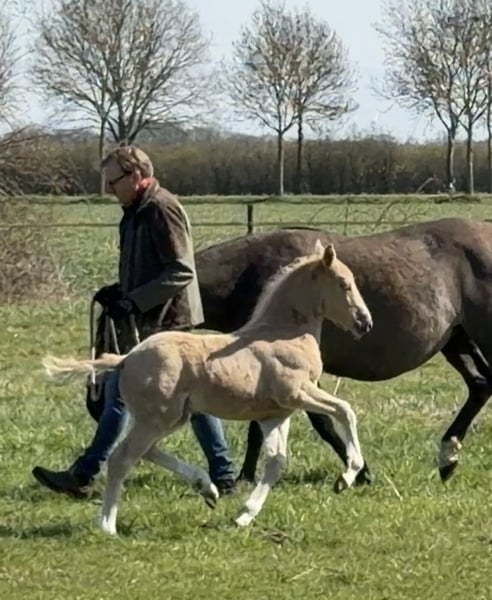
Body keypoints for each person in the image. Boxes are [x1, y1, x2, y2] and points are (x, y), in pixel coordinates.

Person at [32, 144, 236, 499]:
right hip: (147, 321)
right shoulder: (135, 212)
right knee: (185, 399)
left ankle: (85, 473)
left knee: (127, 393)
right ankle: (224, 474)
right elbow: (149, 268)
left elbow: (181, 271)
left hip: (168, 322)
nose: (109, 189)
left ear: (137, 175)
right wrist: (119, 291)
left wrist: (134, 300)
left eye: (114, 181)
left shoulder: (161, 209)